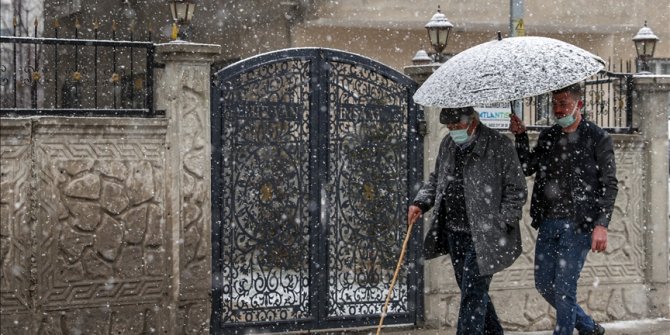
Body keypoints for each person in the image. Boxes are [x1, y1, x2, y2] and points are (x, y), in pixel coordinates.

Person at [509, 83, 618, 335]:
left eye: (564, 104)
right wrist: (521, 136)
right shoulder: (549, 136)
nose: (558, 110)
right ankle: (589, 327)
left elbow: (609, 184)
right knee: (544, 284)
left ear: (578, 105)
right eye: (555, 104)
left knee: (564, 289)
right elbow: (527, 167)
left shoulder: (597, 137)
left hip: (580, 223)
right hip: (548, 222)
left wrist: (601, 224)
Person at [408, 107, 527, 335]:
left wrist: (502, 223)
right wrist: (420, 202)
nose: (453, 132)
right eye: (450, 128)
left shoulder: (498, 145)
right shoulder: (448, 144)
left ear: (472, 122)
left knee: (472, 293)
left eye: (457, 127)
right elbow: (437, 179)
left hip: (486, 234)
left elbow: (517, 189)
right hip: (455, 231)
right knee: (472, 291)